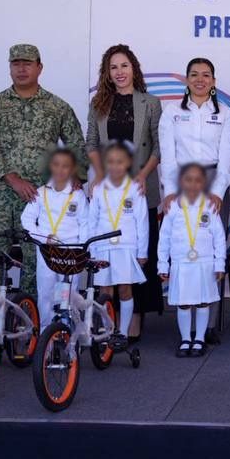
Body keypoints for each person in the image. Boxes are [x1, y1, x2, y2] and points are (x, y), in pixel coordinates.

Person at [0, 43, 87, 296]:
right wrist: (12, 178)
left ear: (40, 67)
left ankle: (31, 320)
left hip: (41, 198)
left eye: (27, 63)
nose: (21, 69)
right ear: (10, 68)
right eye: (16, 64)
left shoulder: (57, 107)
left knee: (37, 260)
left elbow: (76, 144)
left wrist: (77, 178)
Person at [85, 44, 162, 336]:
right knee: (106, 256)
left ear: (134, 69)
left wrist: (143, 175)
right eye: (113, 67)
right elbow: (91, 142)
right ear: (107, 72)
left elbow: (158, 145)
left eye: (124, 66)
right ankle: (107, 323)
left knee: (139, 253)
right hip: (109, 189)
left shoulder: (150, 102)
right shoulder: (98, 104)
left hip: (140, 187)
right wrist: (101, 173)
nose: (119, 72)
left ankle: (134, 319)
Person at [158, 163, 227, 358]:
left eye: (198, 180)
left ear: (204, 183)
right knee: (184, 303)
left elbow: (219, 238)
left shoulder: (210, 207)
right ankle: (186, 338)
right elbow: (164, 238)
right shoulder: (173, 208)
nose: (193, 184)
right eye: (188, 179)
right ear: (181, 182)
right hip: (182, 264)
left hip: (204, 264)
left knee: (203, 302)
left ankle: (200, 339)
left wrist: (219, 263)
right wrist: (163, 264)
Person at [87, 142, 150, 351]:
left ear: (128, 163)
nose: (115, 166)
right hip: (103, 246)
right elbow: (92, 221)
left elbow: (142, 221)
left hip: (126, 247)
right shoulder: (98, 189)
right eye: (111, 162)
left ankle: (122, 333)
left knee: (124, 288)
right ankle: (107, 330)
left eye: (120, 162)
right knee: (106, 290)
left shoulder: (135, 188)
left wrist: (142, 251)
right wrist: (92, 250)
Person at [19, 148, 89, 328]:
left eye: (66, 166)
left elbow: (85, 224)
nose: (60, 170)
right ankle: (45, 334)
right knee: (46, 293)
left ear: (72, 170)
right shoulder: (41, 192)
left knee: (68, 293)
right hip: (46, 252)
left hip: (71, 253)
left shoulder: (78, 195)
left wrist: (82, 250)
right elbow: (26, 219)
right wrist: (42, 237)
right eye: (56, 165)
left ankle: (68, 334)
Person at [159, 58, 230, 212]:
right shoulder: (171, 111)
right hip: (180, 183)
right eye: (194, 75)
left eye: (206, 75)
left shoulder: (225, 113)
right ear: (187, 80)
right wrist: (171, 191)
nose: (200, 79)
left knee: (213, 234)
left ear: (213, 81)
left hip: (214, 183)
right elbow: (167, 156)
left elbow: (226, 158)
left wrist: (217, 192)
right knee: (180, 234)